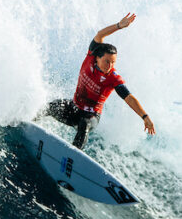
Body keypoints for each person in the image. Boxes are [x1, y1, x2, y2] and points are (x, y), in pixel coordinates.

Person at [44, 12, 156, 149]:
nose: (110, 66)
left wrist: (145, 116)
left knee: (84, 125)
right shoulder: (91, 56)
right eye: (107, 61)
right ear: (97, 57)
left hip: (91, 116)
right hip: (74, 108)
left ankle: (72, 156)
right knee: (51, 106)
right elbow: (100, 35)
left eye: (113, 63)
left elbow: (128, 97)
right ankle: (26, 122)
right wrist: (119, 25)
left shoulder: (113, 78)